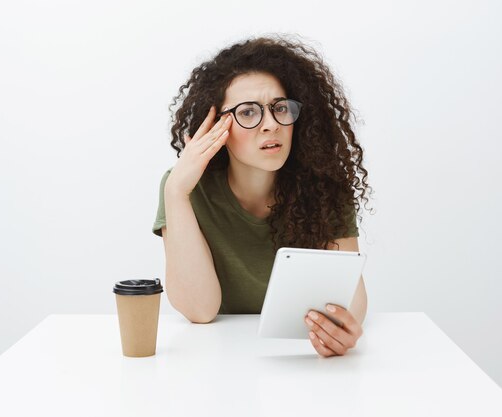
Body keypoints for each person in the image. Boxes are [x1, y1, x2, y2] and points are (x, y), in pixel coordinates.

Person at [153, 34, 374, 357]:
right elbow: (200, 310)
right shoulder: (185, 188)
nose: (270, 125)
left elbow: (350, 304)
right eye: (248, 113)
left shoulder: (325, 186)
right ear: (215, 126)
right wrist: (175, 192)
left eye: (279, 108)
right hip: (215, 359)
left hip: (298, 358)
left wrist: (341, 330)